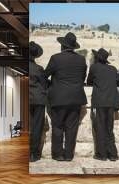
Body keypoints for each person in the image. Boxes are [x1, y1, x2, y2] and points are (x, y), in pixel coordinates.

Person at [45, 32, 87, 161]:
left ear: (62, 46)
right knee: (72, 128)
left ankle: (58, 154)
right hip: (76, 98)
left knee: (57, 126)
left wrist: (52, 85)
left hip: (58, 98)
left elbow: (45, 75)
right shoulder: (81, 59)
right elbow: (82, 77)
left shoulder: (55, 58)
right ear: (74, 47)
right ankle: (69, 155)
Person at [86, 48, 119, 161]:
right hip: (111, 102)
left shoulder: (94, 67)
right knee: (109, 128)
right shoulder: (113, 69)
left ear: (96, 58)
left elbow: (89, 81)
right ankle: (113, 154)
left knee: (99, 127)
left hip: (99, 102)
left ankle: (102, 154)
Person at [29, 41, 47, 162]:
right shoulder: (39, 69)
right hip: (38, 100)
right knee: (37, 127)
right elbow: (44, 84)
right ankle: (34, 154)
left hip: (27, 100)